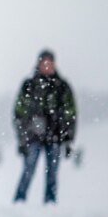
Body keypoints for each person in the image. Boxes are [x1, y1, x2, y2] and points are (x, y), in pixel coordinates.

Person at [13, 49, 77, 204]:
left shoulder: (62, 87)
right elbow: (19, 113)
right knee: (28, 170)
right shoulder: (29, 86)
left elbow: (70, 114)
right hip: (33, 137)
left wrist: (68, 139)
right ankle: (18, 203)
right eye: (44, 63)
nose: (47, 66)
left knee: (52, 174)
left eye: (50, 63)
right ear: (38, 64)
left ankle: (50, 205)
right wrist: (22, 138)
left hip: (55, 136)